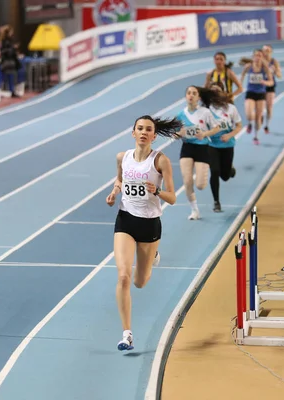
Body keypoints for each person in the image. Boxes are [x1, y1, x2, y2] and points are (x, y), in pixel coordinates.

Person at [105, 115, 183, 351]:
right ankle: (127, 334)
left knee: (140, 282)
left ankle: (154, 255)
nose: (143, 132)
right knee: (123, 277)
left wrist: (157, 191)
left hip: (149, 225)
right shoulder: (123, 157)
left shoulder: (160, 161)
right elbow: (120, 180)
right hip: (125, 220)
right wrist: (113, 192)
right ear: (133, 132)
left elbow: (173, 197)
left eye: (148, 130)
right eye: (139, 128)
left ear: (154, 136)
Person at [176, 85, 228, 220]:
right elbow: (175, 134)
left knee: (200, 185)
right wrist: (178, 134)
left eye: (194, 93)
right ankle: (194, 210)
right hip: (187, 148)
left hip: (202, 148)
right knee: (187, 181)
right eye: (189, 93)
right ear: (186, 96)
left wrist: (204, 133)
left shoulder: (205, 112)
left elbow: (217, 127)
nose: (191, 95)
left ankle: (203, 176)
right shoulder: (181, 115)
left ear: (198, 97)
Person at [206, 82, 243, 212]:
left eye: (217, 90)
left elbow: (239, 126)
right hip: (212, 144)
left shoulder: (230, 108)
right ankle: (216, 201)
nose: (215, 93)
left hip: (227, 144)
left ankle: (229, 170)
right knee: (214, 171)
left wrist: (230, 135)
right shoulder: (207, 109)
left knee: (225, 176)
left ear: (222, 92)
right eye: (212, 91)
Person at [239, 49, 274, 145]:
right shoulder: (248, 66)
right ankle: (250, 123)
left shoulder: (265, 68)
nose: (258, 57)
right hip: (250, 92)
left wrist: (265, 82)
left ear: (262, 57)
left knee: (258, 117)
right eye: (256, 55)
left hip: (261, 94)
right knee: (249, 114)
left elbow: (271, 82)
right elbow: (242, 75)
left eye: (260, 56)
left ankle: (256, 136)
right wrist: (240, 85)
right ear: (253, 57)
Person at [261, 44, 282, 134]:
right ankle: (260, 116)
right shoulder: (259, 61)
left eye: (268, 51)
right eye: (264, 51)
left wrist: (275, 71)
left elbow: (279, 75)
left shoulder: (274, 62)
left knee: (269, 107)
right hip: (260, 86)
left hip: (270, 86)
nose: (266, 53)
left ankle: (267, 125)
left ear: (271, 52)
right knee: (260, 106)